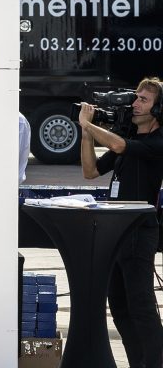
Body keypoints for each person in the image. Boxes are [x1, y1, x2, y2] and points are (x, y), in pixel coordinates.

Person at [80, 81, 163, 368]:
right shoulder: (127, 136)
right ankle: (138, 363)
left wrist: (89, 124)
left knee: (141, 305)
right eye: (136, 98)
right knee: (118, 304)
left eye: (144, 100)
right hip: (115, 230)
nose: (135, 104)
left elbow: (118, 145)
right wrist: (85, 133)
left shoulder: (157, 141)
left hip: (139, 230)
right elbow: (90, 171)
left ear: (158, 109)